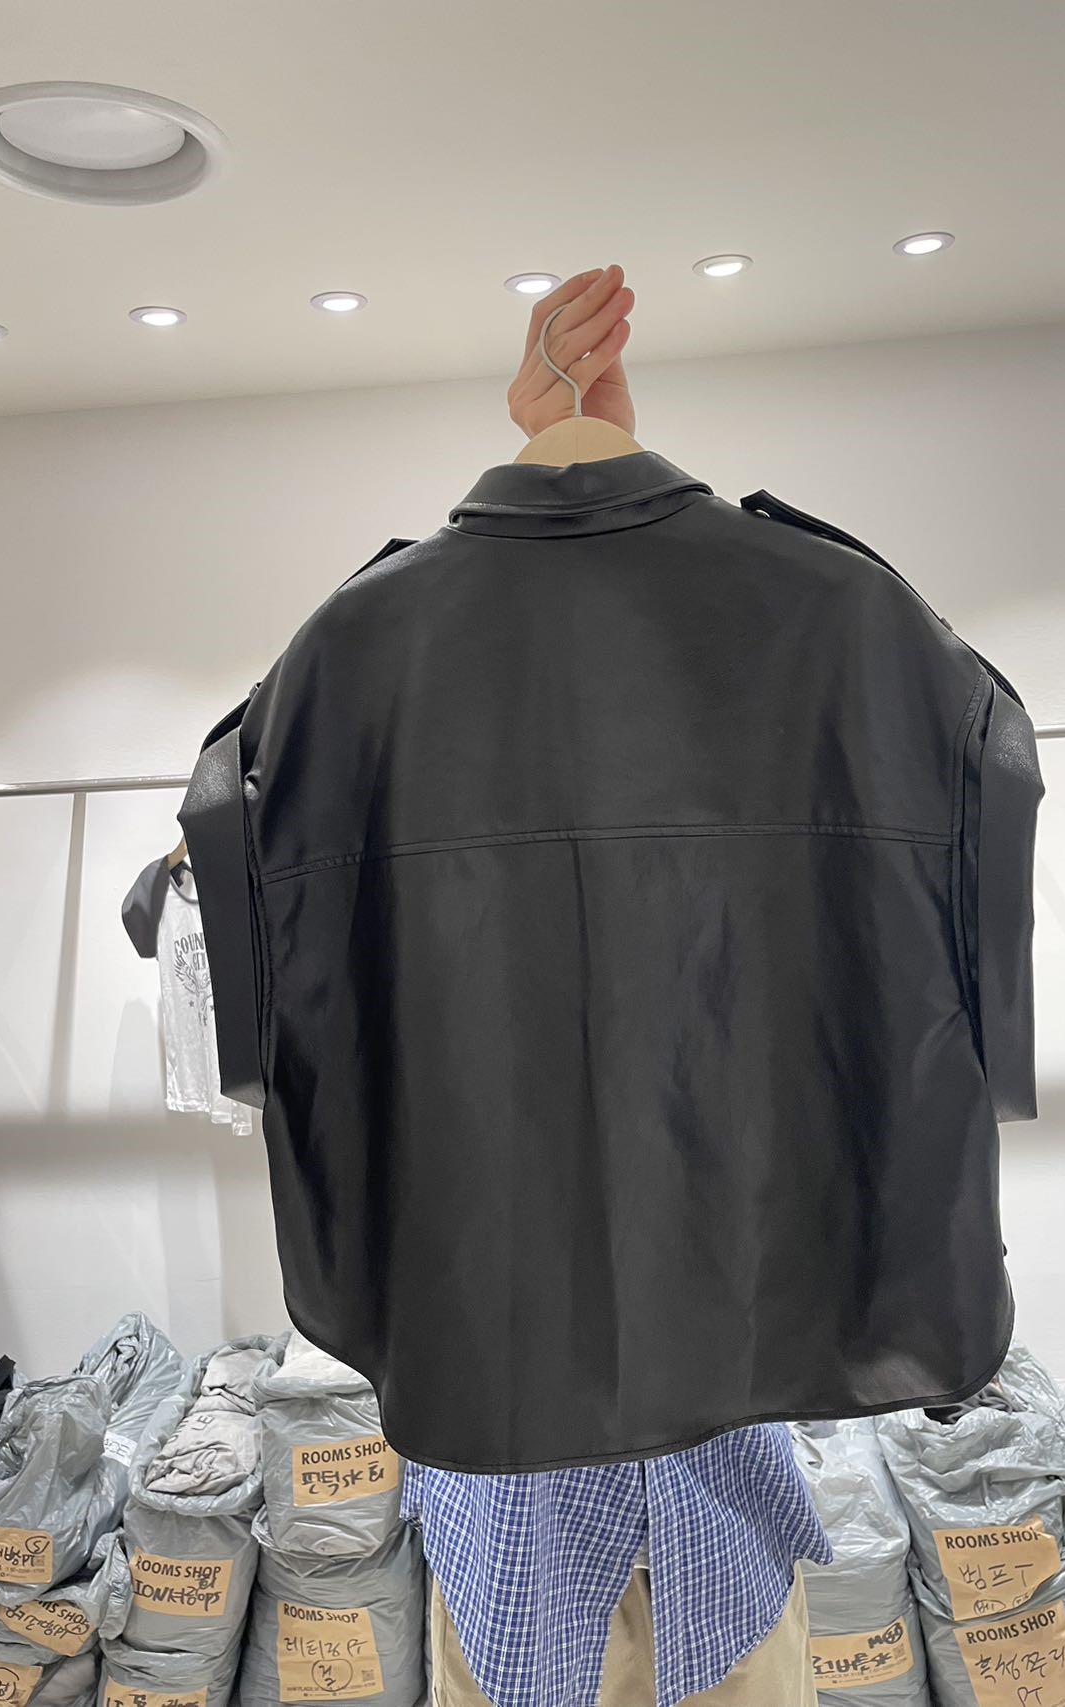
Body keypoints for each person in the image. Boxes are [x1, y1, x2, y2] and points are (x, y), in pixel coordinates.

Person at [400, 264, 832, 1707]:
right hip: (512, 1542)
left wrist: (602, 468)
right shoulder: (413, 820)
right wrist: (560, 469)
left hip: (722, 1534)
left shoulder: (741, 856)